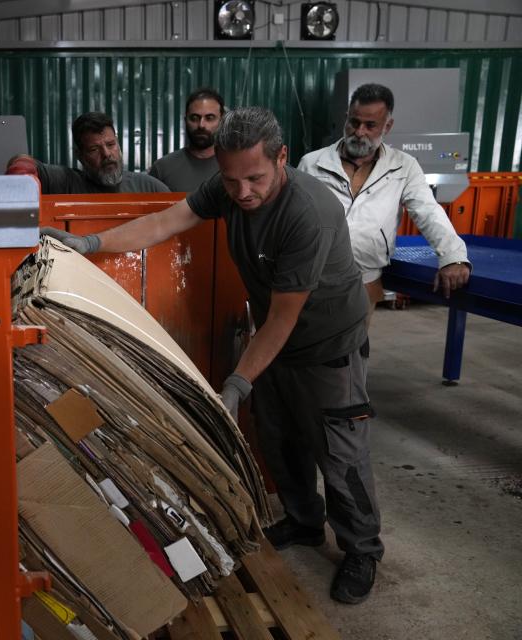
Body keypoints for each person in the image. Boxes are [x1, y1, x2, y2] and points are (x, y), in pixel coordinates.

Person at [43, 107, 382, 605]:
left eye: (255, 178)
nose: (242, 192)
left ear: (282, 158)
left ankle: (362, 550)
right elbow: (166, 221)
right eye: (230, 180)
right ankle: (306, 523)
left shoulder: (308, 214)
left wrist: (236, 382)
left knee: (338, 449)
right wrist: (90, 242)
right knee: (278, 436)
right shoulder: (229, 187)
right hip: (276, 340)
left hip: (327, 345)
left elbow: (284, 320)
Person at [298, 83, 470, 318]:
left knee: (354, 350)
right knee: (305, 347)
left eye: (370, 126)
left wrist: (453, 256)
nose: (359, 132)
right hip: (312, 278)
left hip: (365, 280)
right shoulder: (312, 163)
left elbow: (428, 211)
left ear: (387, 126)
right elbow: (291, 217)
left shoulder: (403, 166)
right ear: (346, 118)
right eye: (354, 122)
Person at [6, 111, 168, 194]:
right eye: (94, 149)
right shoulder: (67, 181)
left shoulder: (148, 187)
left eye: (111, 144)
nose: (107, 154)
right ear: (80, 156)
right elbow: (22, 161)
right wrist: (19, 179)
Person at [149, 87, 225, 192]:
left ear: (222, 120)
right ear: (185, 120)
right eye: (194, 118)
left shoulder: (235, 166)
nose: (201, 125)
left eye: (209, 118)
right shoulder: (162, 169)